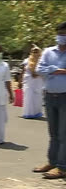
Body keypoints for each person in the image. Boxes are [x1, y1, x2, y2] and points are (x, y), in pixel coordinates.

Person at [33, 22, 66, 179]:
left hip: (65, 96)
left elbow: (45, 70)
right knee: (53, 133)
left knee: (64, 133)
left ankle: (62, 166)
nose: (62, 36)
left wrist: (51, 71)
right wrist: (57, 70)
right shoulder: (48, 52)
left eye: (65, 34)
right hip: (50, 95)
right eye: (60, 33)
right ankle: (52, 161)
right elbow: (39, 69)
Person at [20, 45, 44, 119]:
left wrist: (37, 74)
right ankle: (28, 113)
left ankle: (36, 112)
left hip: (38, 80)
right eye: (33, 51)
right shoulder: (27, 60)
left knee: (37, 97)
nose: (35, 53)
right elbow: (23, 71)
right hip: (28, 81)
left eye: (37, 51)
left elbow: (44, 71)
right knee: (28, 96)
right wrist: (19, 81)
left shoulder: (42, 61)